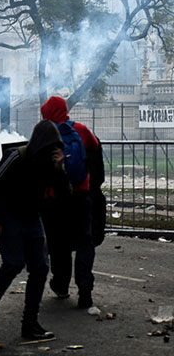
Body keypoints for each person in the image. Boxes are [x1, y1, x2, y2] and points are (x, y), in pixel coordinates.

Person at [0, 120, 70, 340]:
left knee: (40, 268)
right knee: (13, 263)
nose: (50, 153)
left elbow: (64, 195)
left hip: (32, 217)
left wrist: (59, 169)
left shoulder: (52, 164)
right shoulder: (16, 157)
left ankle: (30, 323)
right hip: (8, 217)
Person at [40, 95, 99, 309]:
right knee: (85, 241)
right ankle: (85, 289)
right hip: (81, 194)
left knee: (58, 242)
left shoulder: (45, 133)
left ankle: (61, 284)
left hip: (55, 198)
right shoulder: (80, 130)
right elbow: (94, 148)